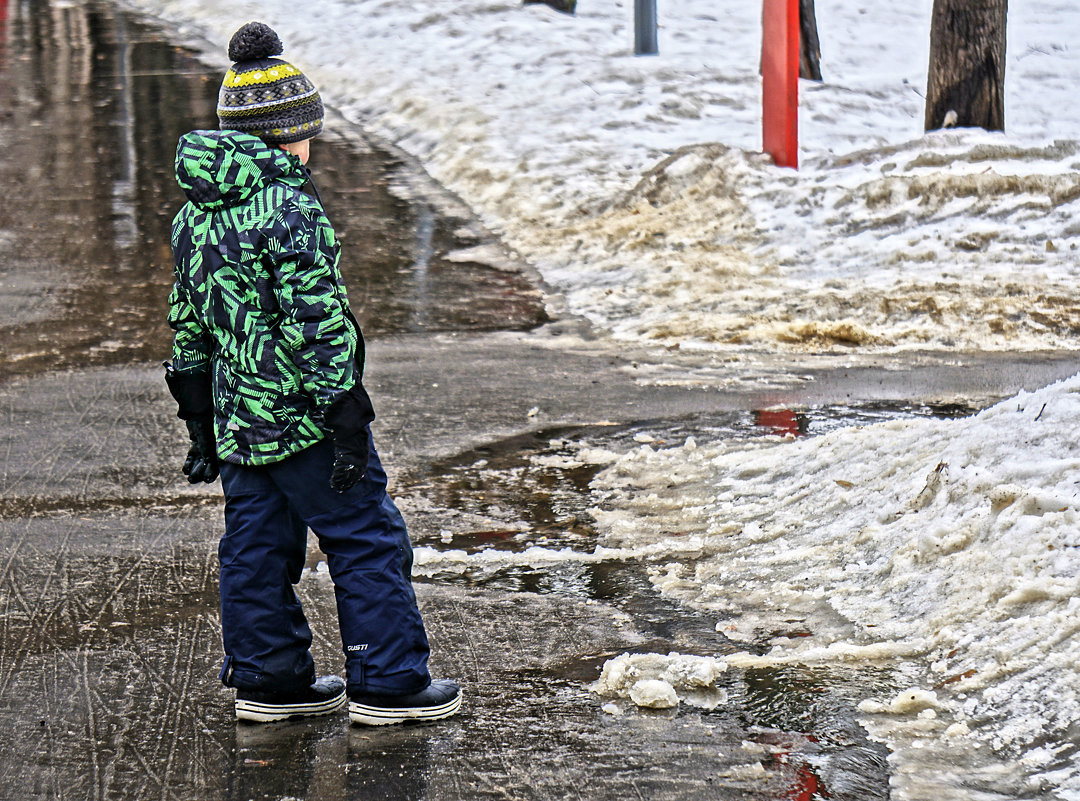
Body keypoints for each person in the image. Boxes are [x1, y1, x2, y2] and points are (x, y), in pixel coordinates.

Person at [164, 21, 461, 726]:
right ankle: (389, 682)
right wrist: (344, 405)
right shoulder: (290, 207)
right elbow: (316, 317)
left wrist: (200, 418)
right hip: (302, 416)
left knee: (255, 545)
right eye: (307, 133)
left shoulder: (194, 215)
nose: (310, 145)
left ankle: (270, 679)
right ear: (284, 134)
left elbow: (190, 319)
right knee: (366, 534)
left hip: (239, 417)